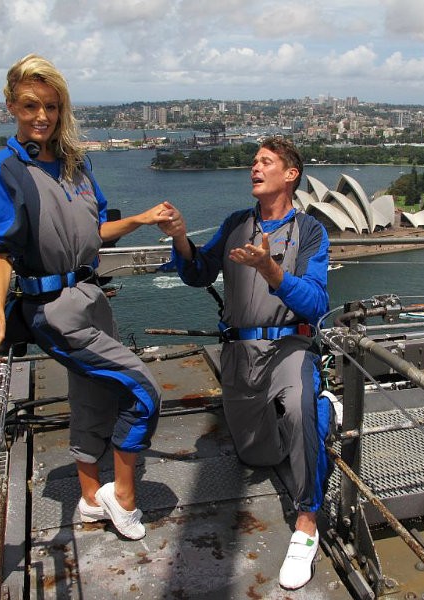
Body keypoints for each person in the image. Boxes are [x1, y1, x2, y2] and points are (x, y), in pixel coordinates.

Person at [0, 54, 171, 541]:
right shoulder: (1, 170)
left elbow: (94, 232)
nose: (43, 116)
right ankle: (122, 498)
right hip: (54, 310)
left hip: (92, 295)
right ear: (11, 105)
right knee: (143, 390)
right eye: (32, 105)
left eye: (52, 107)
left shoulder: (77, 165)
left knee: (91, 396)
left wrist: (140, 220)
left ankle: (87, 500)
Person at [158, 137, 338, 590]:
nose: (254, 167)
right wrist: (181, 237)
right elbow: (198, 272)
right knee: (257, 455)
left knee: (298, 406)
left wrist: (272, 271)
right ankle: (325, 414)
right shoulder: (237, 224)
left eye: (265, 162)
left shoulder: (311, 231)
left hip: (289, 348)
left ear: (290, 174)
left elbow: (316, 304)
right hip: (239, 354)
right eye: (254, 161)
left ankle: (307, 523)